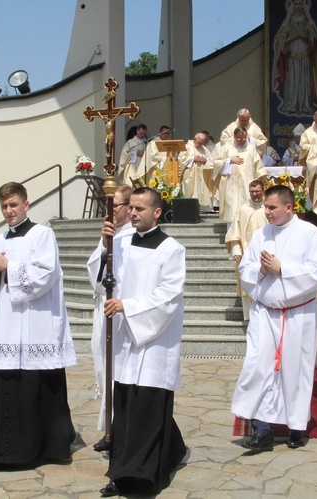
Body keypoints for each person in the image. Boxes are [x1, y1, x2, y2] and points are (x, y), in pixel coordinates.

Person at [0, 182, 77, 473]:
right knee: (1, 387)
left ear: (26, 204)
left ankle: (43, 448)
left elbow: (46, 273)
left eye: (13, 205)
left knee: (36, 387)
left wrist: (8, 267)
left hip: (35, 323)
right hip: (6, 323)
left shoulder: (43, 234)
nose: (9, 211)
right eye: (4, 206)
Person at [97, 187, 187, 497]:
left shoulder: (171, 249)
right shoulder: (120, 242)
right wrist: (104, 244)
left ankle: (143, 476)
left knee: (147, 408)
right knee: (124, 407)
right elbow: (101, 281)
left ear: (157, 213)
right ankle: (119, 473)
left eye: (139, 209)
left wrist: (129, 307)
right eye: (131, 208)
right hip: (125, 338)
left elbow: (168, 296)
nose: (132, 213)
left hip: (154, 340)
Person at [231, 184, 317, 451]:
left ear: (289, 207)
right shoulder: (261, 234)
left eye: (271, 207)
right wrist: (261, 271)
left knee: (295, 370)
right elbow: (245, 267)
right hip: (265, 313)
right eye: (265, 207)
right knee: (259, 366)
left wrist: (282, 268)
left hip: (299, 314)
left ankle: (296, 426)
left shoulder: (309, 233)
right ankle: (262, 428)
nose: (266, 212)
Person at [85, 185, 135, 453]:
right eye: (108, 206)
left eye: (114, 205)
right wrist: (105, 247)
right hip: (104, 311)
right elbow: (96, 275)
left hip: (123, 316)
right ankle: (110, 429)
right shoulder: (110, 234)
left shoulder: (133, 237)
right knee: (106, 370)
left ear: (128, 207)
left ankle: (119, 431)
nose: (110, 211)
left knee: (121, 372)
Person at [272, 0, 317, 116]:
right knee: (292, 82)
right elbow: (280, 39)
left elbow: (315, 38)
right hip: (292, 58)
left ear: (303, 5)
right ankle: (290, 105)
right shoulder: (289, 22)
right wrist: (289, 39)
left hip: (305, 57)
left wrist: (307, 37)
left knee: (304, 82)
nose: (297, 6)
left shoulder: (307, 22)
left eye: (299, 4)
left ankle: (305, 105)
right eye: (295, 4)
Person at [225, 180, 269, 319]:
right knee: (249, 285)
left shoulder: (268, 209)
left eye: (257, 191)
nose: (255, 194)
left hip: (266, 255)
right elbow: (234, 232)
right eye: (252, 192)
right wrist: (236, 250)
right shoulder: (243, 209)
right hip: (247, 255)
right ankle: (250, 318)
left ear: (263, 191)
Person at [213, 126, 268, 224]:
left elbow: (258, 165)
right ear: (234, 136)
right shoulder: (226, 147)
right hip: (230, 185)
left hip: (247, 184)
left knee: (247, 209)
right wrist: (229, 160)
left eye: (244, 138)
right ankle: (232, 237)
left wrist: (259, 178)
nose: (242, 141)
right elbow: (216, 163)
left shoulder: (251, 147)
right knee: (232, 210)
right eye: (239, 138)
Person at [180, 131, 217, 211]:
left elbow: (210, 161)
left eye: (202, 143)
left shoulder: (204, 149)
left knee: (203, 194)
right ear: (194, 139)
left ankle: (203, 210)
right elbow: (181, 160)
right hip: (191, 176)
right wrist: (193, 158)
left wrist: (205, 161)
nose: (200, 145)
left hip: (202, 176)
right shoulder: (187, 147)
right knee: (192, 194)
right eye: (199, 143)